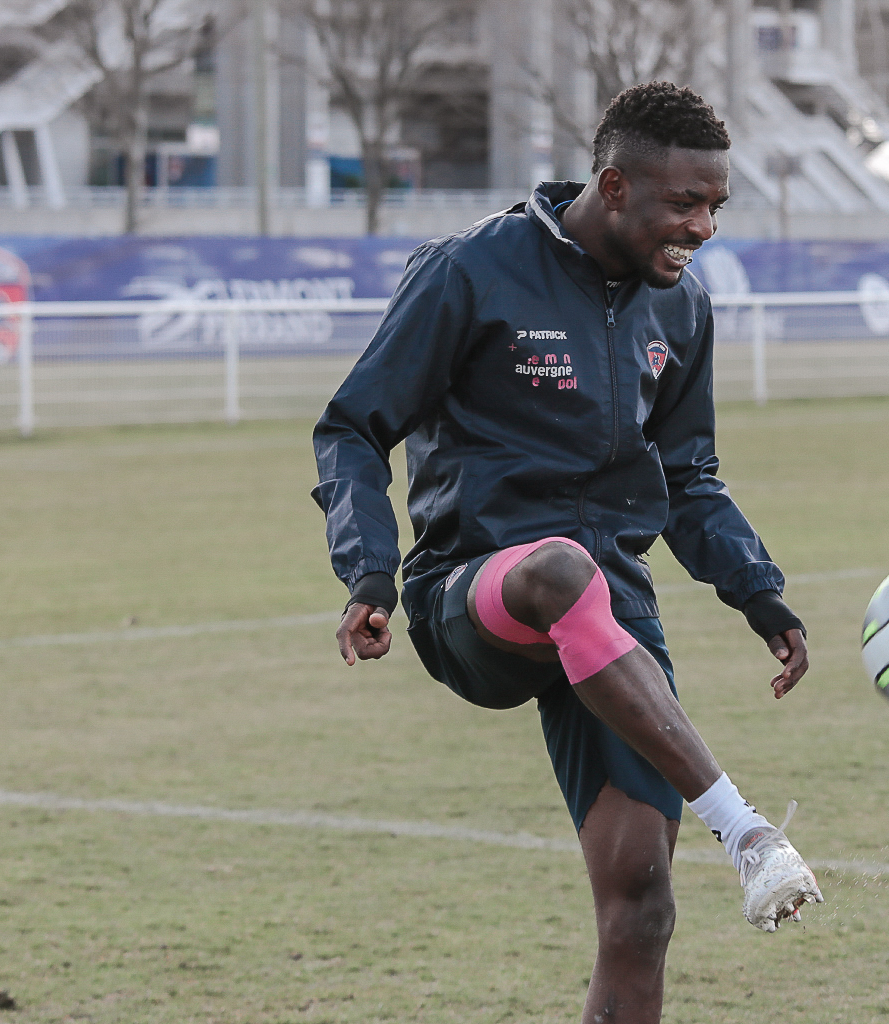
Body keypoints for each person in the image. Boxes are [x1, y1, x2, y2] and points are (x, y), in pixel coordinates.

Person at [312, 83, 823, 1024]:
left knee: (642, 911)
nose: (703, 228)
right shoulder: (471, 271)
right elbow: (351, 426)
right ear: (615, 185)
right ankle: (744, 829)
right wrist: (369, 570)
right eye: (685, 204)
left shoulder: (683, 311)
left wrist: (762, 595)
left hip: (613, 623)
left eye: (717, 206)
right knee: (558, 570)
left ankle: (718, 840)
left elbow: (691, 478)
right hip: (475, 599)